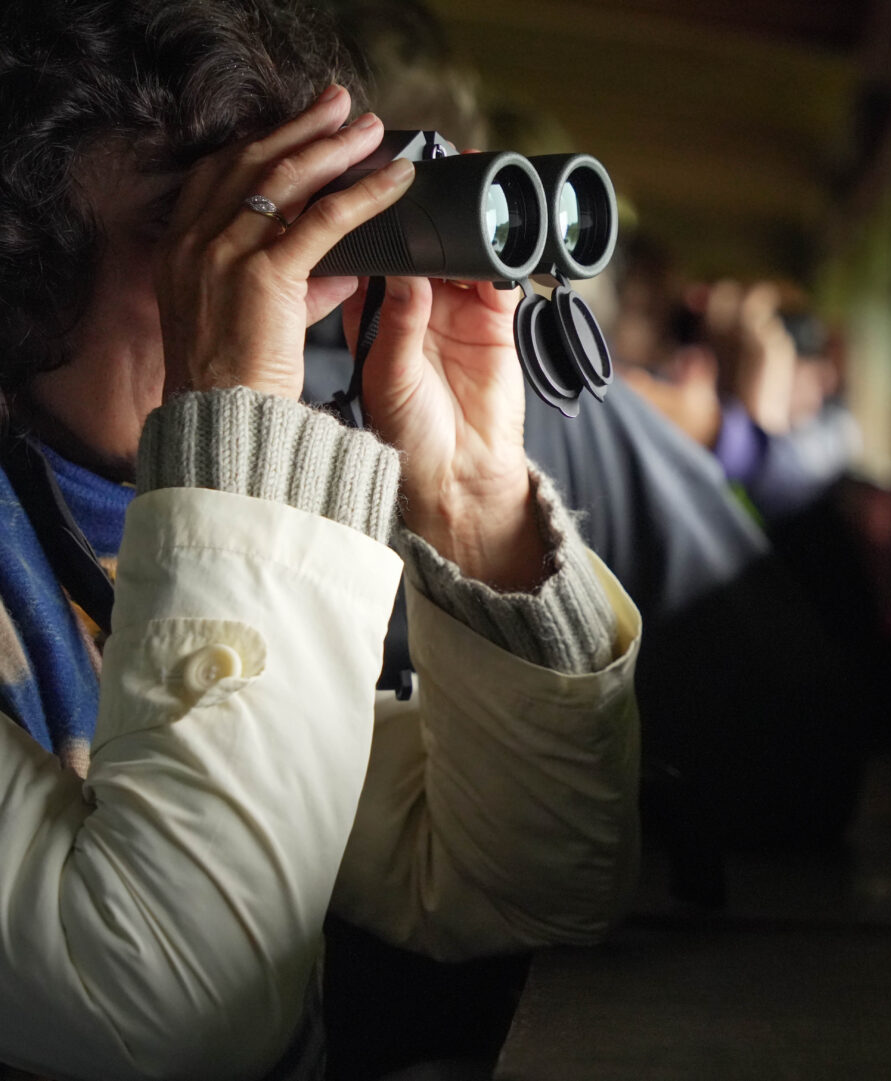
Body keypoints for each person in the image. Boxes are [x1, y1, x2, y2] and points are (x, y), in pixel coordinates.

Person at [0, 2, 640, 1079]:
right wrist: (236, 432)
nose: (262, 287)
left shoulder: (126, 533)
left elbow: (529, 883)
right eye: (190, 230)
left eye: (275, 230)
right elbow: (178, 1009)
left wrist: (469, 498)